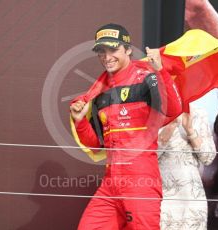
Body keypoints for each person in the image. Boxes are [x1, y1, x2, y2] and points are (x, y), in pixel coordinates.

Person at [70, 23, 182, 230]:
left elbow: (174, 110)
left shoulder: (147, 78)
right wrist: (80, 121)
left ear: (128, 49)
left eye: (113, 49)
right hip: (110, 183)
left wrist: (160, 71)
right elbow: (96, 146)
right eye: (101, 52)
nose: (106, 56)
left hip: (141, 181)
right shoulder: (99, 92)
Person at [157, 107, 216, 230]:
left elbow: (208, 157)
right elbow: (148, 155)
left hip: (192, 196)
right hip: (162, 195)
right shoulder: (153, 113)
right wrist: (171, 125)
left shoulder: (199, 113)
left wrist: (190, 131)